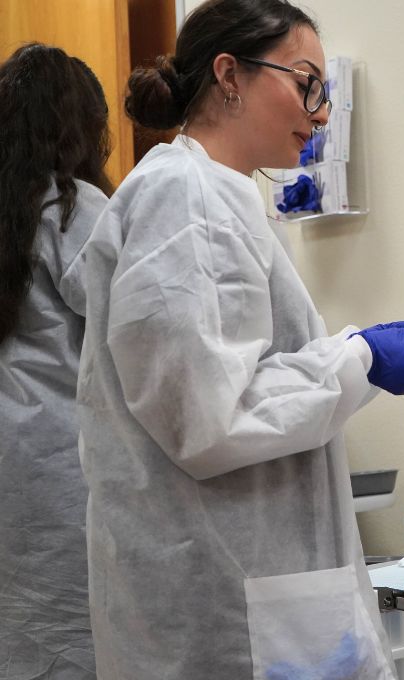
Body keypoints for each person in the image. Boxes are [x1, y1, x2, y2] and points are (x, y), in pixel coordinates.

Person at [75, 1, 404, 677]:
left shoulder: (220, 197)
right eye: (307, 83)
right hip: (219, 601)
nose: (322, 111)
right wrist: (358, 359)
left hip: (255, 582)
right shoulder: (183, 199)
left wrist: (349, 353)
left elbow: (226, 374)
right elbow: (207, 419)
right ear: (230, 76)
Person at [0, 43, 112, 680]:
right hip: (66, 480)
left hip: (14, 487)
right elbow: (145, 346)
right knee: (79, 639)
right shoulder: (73, 212)